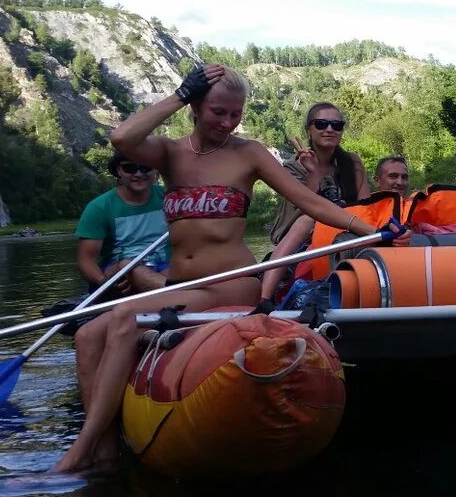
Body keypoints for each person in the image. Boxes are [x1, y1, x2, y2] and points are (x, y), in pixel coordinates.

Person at [53, 65, 398, 473]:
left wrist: (373, 230)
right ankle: (105, 450)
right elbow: (122, 138)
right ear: (196, 106)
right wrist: (181, 92)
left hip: (230, 284)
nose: (228, 122)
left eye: (235, 113)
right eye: (218, 111)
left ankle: (77, 454)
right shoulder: (169, 153)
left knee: (124, 316)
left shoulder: (248, 154)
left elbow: (310, 202)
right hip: (182, 283)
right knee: (89, 334)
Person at [259, 104, 370, 299]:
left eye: (337, 125)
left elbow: (365, 205)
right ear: (309, 130)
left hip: (348, 226)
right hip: (302, 230)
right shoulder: (294, 167)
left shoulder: (351, 162)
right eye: (321, 124)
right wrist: (313, 173)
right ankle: (265, 297)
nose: (329, 129)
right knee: (308, 220)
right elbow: (310, 207)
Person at [74, 151, 170, 296]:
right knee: (128, 266)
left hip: (165, 266)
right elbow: (86, 260)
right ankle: (181, 295)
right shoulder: (99, 207)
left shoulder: (169, 197)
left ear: (155, 169)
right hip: (120, 271)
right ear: (119, 170)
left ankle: (175, 293)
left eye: (145, 168)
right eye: (130, 168)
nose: (138, 174)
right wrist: (102, 283)